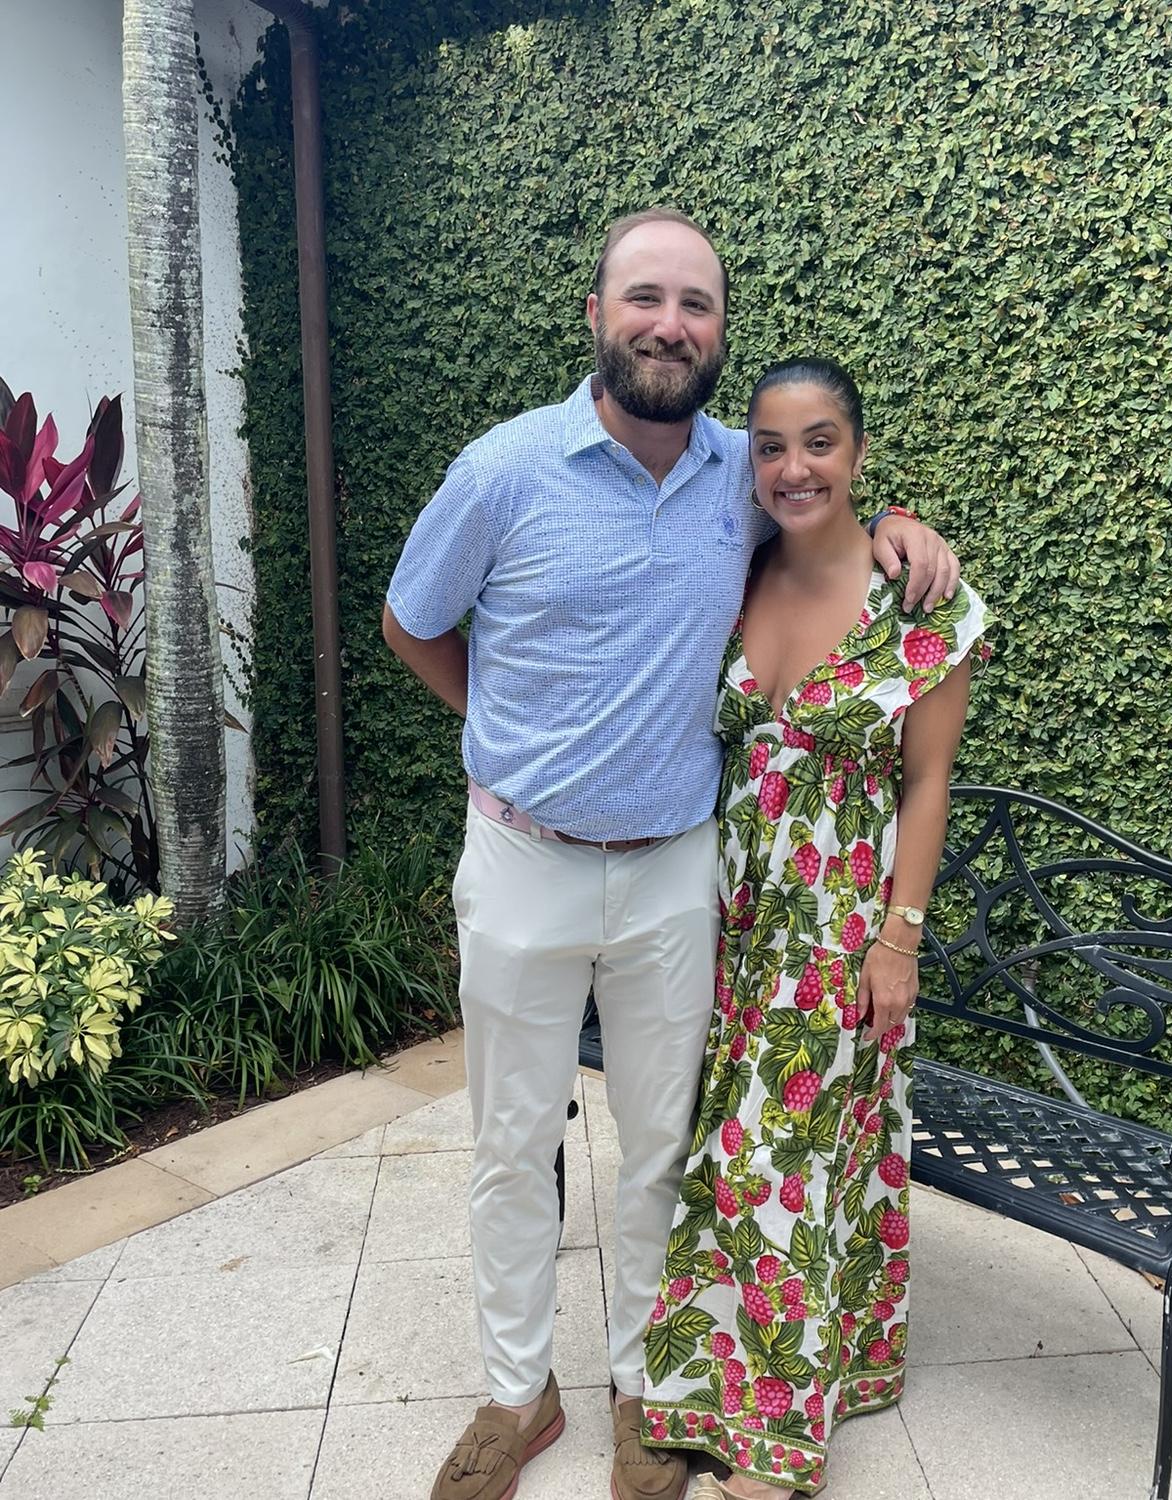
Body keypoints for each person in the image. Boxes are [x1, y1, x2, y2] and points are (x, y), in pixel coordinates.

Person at [381, 209, 960, 1500]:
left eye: (695, 304)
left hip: (675, 871)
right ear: (597, 314)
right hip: (523, 860)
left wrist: (903, 525)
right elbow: (411, 621)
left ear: (719, 331)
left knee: (661, 1146)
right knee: (511, 1144)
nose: (669, 324)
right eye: (645, 297)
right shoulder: (503, 470)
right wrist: (506, 734)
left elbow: (823, 511)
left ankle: (648, 1389)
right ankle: (515, 1394)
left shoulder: (738, 476)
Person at [638, 359, 988, 1498]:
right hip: (725, 916)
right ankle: (720, 1377)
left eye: (821, 442)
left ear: (860, 452)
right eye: (772, 446)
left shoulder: (919, 608)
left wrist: (901, 940)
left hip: (838, 930)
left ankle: (778, 1437)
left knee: (779, 1159)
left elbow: (927, 784)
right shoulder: (733, 573)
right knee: (740, 1153)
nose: (795, 467)